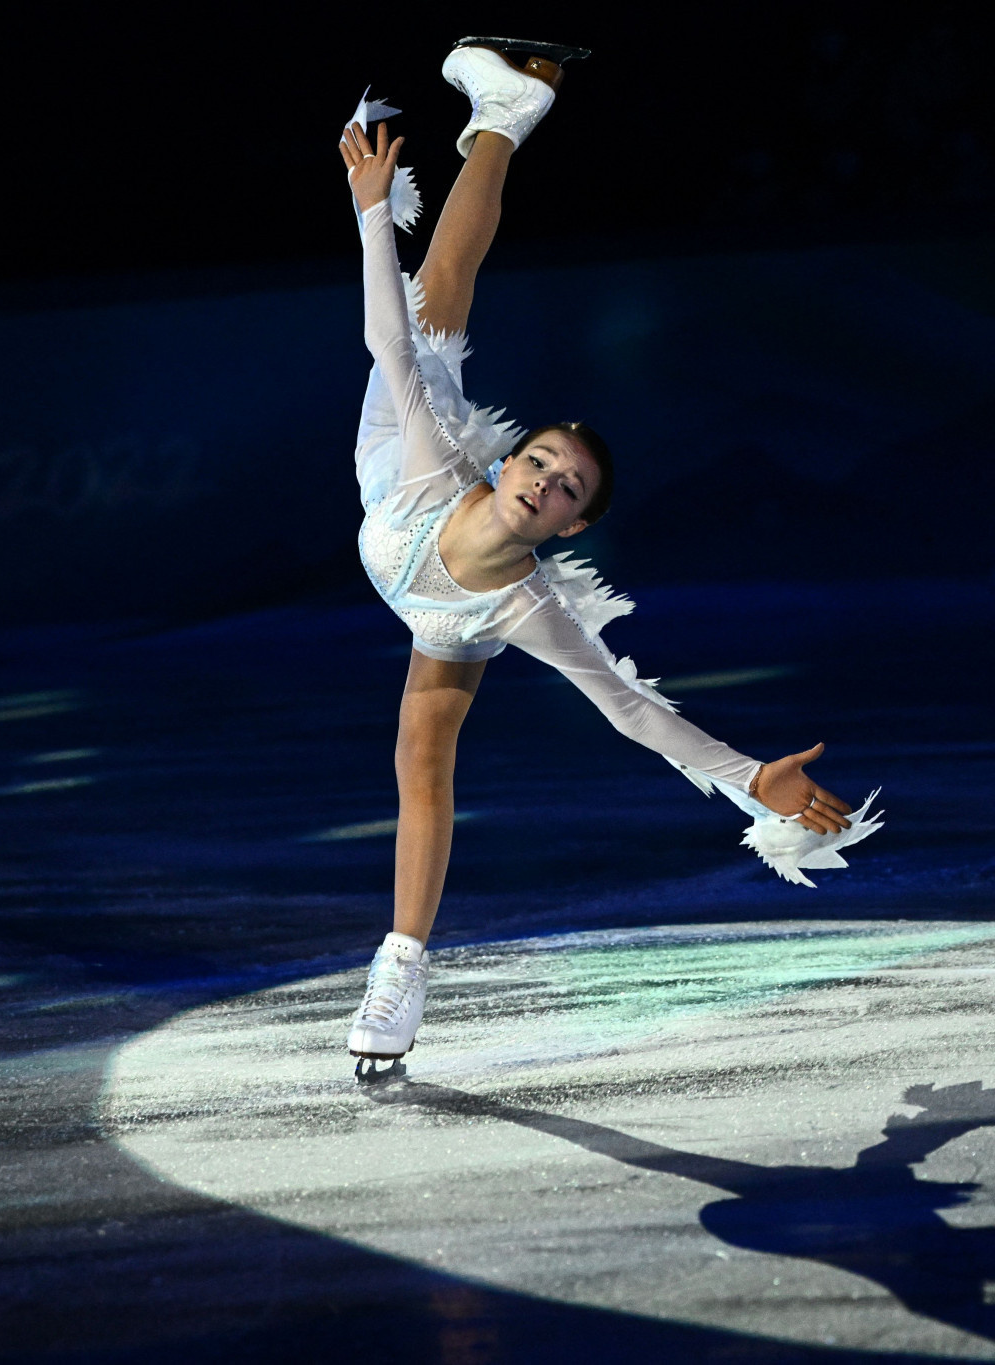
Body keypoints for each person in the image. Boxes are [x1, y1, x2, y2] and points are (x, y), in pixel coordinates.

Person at [336, 39, 882, 1080]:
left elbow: (635, 712)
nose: (546, 477)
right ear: (507, 467)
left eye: (568, 487)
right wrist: (370, 206)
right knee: (433, 293)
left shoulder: (526, 606)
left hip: (443, 615)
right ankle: (507, 108)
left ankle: (400, 969)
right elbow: (387, 343)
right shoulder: (432, 457)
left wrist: (748, 779)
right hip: (396, 482)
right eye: (539, 458)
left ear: (569, 527)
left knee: (421, 767)